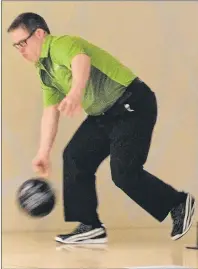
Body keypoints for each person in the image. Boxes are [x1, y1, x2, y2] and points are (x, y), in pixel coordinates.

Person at [7, 12, 195, 244]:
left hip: (131, 103)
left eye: (22, 43)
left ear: (39, 34)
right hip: (104, 114)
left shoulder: (60, 44)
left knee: (124, 173)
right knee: (75, 156)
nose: (20, 50)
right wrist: (43, 152)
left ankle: (177, 203)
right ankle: (89, 225)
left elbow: (80, 60)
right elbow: (50, 111)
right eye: (16, 46)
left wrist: (76, 92)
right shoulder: (44, 71)